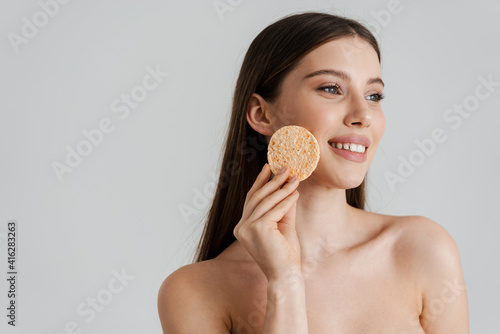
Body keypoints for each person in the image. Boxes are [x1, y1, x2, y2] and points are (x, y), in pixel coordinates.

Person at [158, 11, 469, 333]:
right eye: (332, 89)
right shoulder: (196, 291)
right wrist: (286, 283)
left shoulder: (422, 249)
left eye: (373, 95)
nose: (363, 115)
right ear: (262, 114)